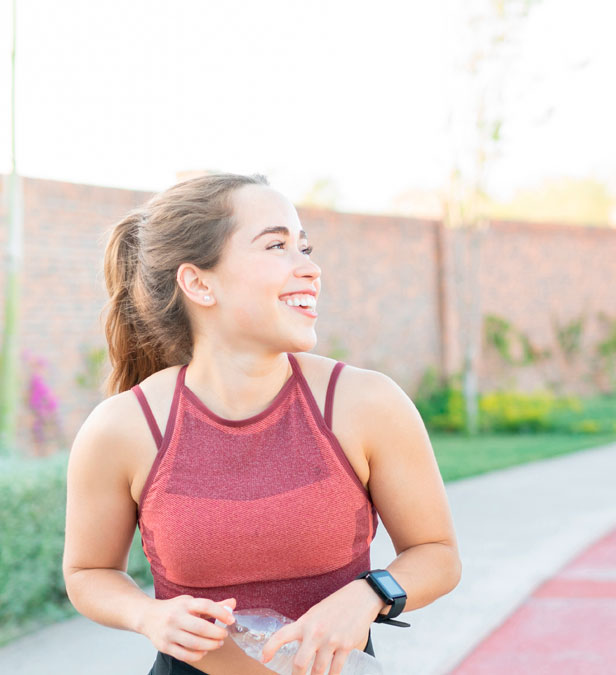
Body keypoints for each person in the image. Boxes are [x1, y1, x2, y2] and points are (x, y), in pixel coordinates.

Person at [62, 174, 461, 675]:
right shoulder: (122, 427)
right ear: (199, 283)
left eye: (305, 247)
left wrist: (368, 594)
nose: (310, 268)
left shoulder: (366, 403)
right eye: (277, 245)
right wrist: (148, 615)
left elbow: (437, 554)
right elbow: (88, 572)